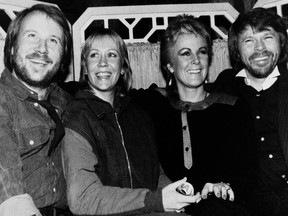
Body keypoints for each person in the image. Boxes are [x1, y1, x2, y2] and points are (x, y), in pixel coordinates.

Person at [61, 28, 202, 216]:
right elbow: (83, 199)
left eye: (112, 55)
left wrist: (177, 194)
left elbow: (156, 174)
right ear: (85, 67)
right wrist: (157, 201)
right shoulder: (77, 116)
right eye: (94, 55)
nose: (103, 63)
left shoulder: (138, 115)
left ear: (123, 67)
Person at [131, 14, 256, 215]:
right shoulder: (152, 105)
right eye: (185, 53)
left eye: (202, 52)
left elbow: (248, 176)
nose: (196, 60)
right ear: (170, 65)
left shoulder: (233, 107)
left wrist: (223, 187)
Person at [209, 7, 288, 216]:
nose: (259, 48)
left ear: (281, 42)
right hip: (245, 201)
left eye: (267, 37)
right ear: (236, 50)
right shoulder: (225, 86)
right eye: (249, 41)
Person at [0, 4, 72, 216]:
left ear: (62, 59)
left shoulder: (65, 100)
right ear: (12, 47)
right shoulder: (2, 100)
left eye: (53, 40)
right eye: (32, 35)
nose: (42, 49)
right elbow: (9, 193)